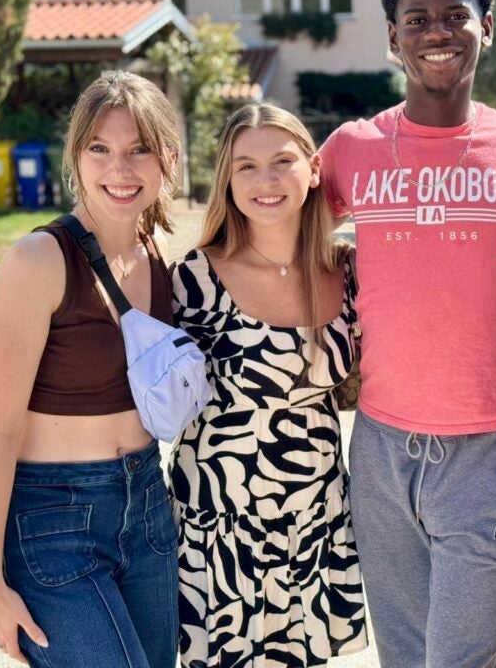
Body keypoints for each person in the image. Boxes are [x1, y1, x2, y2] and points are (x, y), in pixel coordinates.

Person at [317, 0, 496, 668]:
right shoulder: (349, 150)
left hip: (488, 450)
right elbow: (270, 243)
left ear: (485, 26)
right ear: (393, 37)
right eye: (417, 19)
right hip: (381, 447)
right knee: (404, 656)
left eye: (455, 16)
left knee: (463, 660)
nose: (438, 33)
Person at [0, 71, 180, 667]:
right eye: (101, 149)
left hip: (147, 504)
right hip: (54, 518)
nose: (121, 169)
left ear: (167, 157)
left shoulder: (161, 258)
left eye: (140, 149)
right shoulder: (38, 259)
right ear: (76, 156)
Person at [169, 104, 367, 668]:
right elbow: (126, 360)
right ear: (226, 182)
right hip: (219, 520)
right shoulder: (193, 277)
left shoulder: (349, 269)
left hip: (314, 512)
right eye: (246, 166)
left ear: (313, 168)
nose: (266, 181)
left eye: (282, 161)